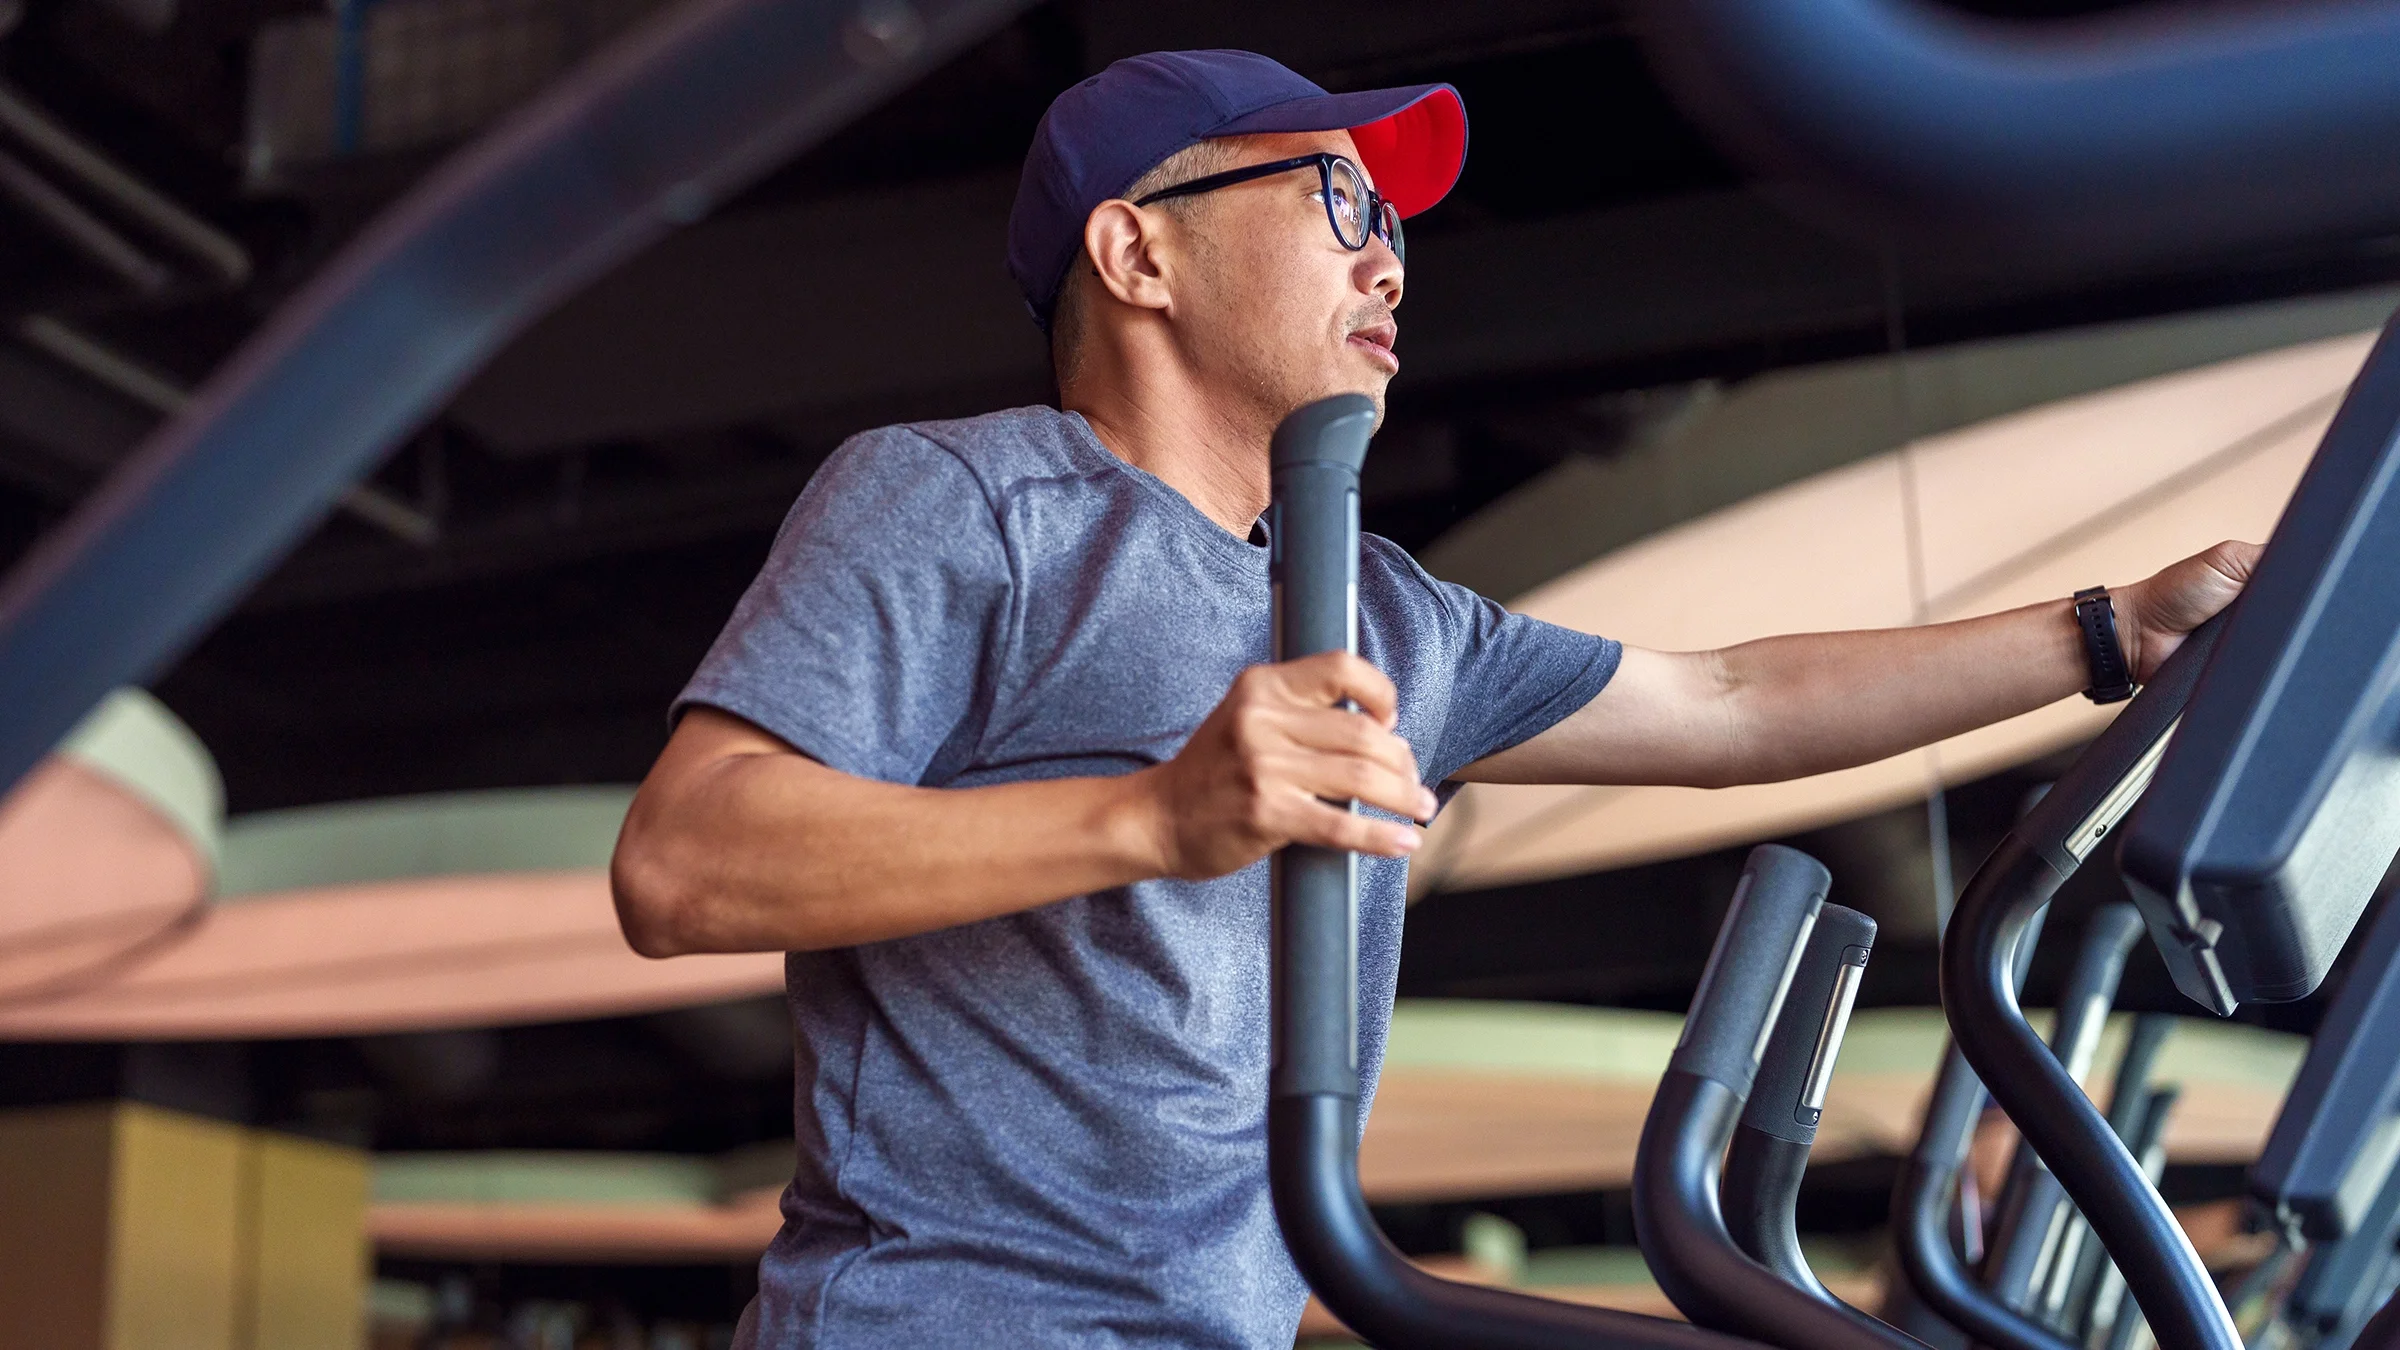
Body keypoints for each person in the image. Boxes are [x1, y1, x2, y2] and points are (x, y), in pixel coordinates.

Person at [608, 49, 2254, 1350]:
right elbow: (685, 862)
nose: (1389, 259)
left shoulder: (1383, 609)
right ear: (1137, 250)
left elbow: (1734, 702)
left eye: (1395, 225)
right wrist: (1155, 816)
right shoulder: (962, 503)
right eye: (1337, 198)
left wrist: (2111, 630)